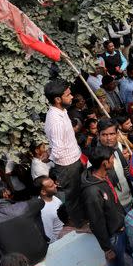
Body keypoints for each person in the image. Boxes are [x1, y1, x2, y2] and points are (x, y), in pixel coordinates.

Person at [80, 145, 133, 266]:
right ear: (104, 163)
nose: (114, 160)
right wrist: (107, 248)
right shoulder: (92, 192)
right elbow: (96, 222)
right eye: (112, 158)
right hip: (113, 236)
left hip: (122, 227)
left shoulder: (105, 176)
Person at [0, 181, 49, 264]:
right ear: (4, 194)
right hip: (40, 253)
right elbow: (41, 202)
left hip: (16, 263)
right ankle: (44, 238)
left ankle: (0, 255)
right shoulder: (24, 206)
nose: (9, 191)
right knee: (34, 213)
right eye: (7, 190)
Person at [43, 79, 84, 227]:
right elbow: (58, 151)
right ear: (58, 99)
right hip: (67, 166)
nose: (72, 96)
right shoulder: (55, 121)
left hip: (74, 160)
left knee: (80, 193)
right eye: (68, 94)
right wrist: (49, 156)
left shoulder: (62, 111)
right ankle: (79, 225)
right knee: (74, 198)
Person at [34, 176, 64, 243]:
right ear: (43, 192)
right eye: (51, 186)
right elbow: (48, 237)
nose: (55, 186)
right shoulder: (44, 211)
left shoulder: (52, 197)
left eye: (54, 183)